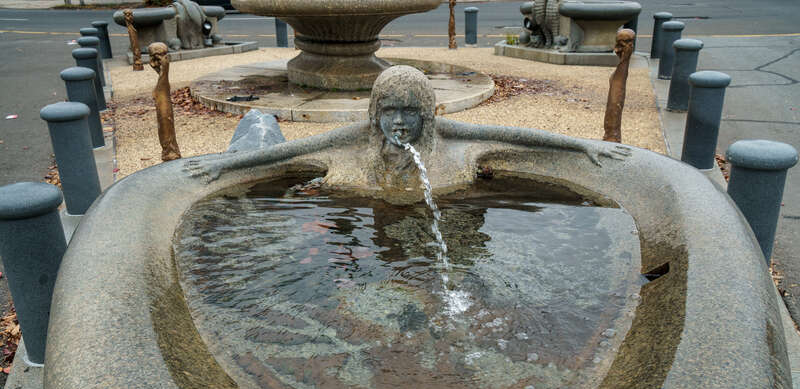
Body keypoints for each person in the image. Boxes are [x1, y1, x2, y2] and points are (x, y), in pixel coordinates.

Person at [185, 65, 630, 202]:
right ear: (375, 112)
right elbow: (284, 154)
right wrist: (224, 166)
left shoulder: (449, 134)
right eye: (389, 112)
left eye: (409, 113)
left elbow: (514, 136)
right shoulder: (355, 137)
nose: (398, 122)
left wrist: (583, 146)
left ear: (426, 116)